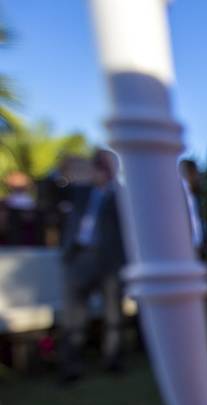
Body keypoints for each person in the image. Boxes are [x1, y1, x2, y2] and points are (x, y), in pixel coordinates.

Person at [59, 149, 128, 381]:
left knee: (113, 314)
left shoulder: (121, 196)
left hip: (110, 261)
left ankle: (113, 360)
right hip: (80, 257)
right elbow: (51, 189)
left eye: (105, 165)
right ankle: (71, 367)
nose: (100, 170)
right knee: (73, 315)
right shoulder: (79, 191)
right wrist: (66, 167)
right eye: (97, 165)